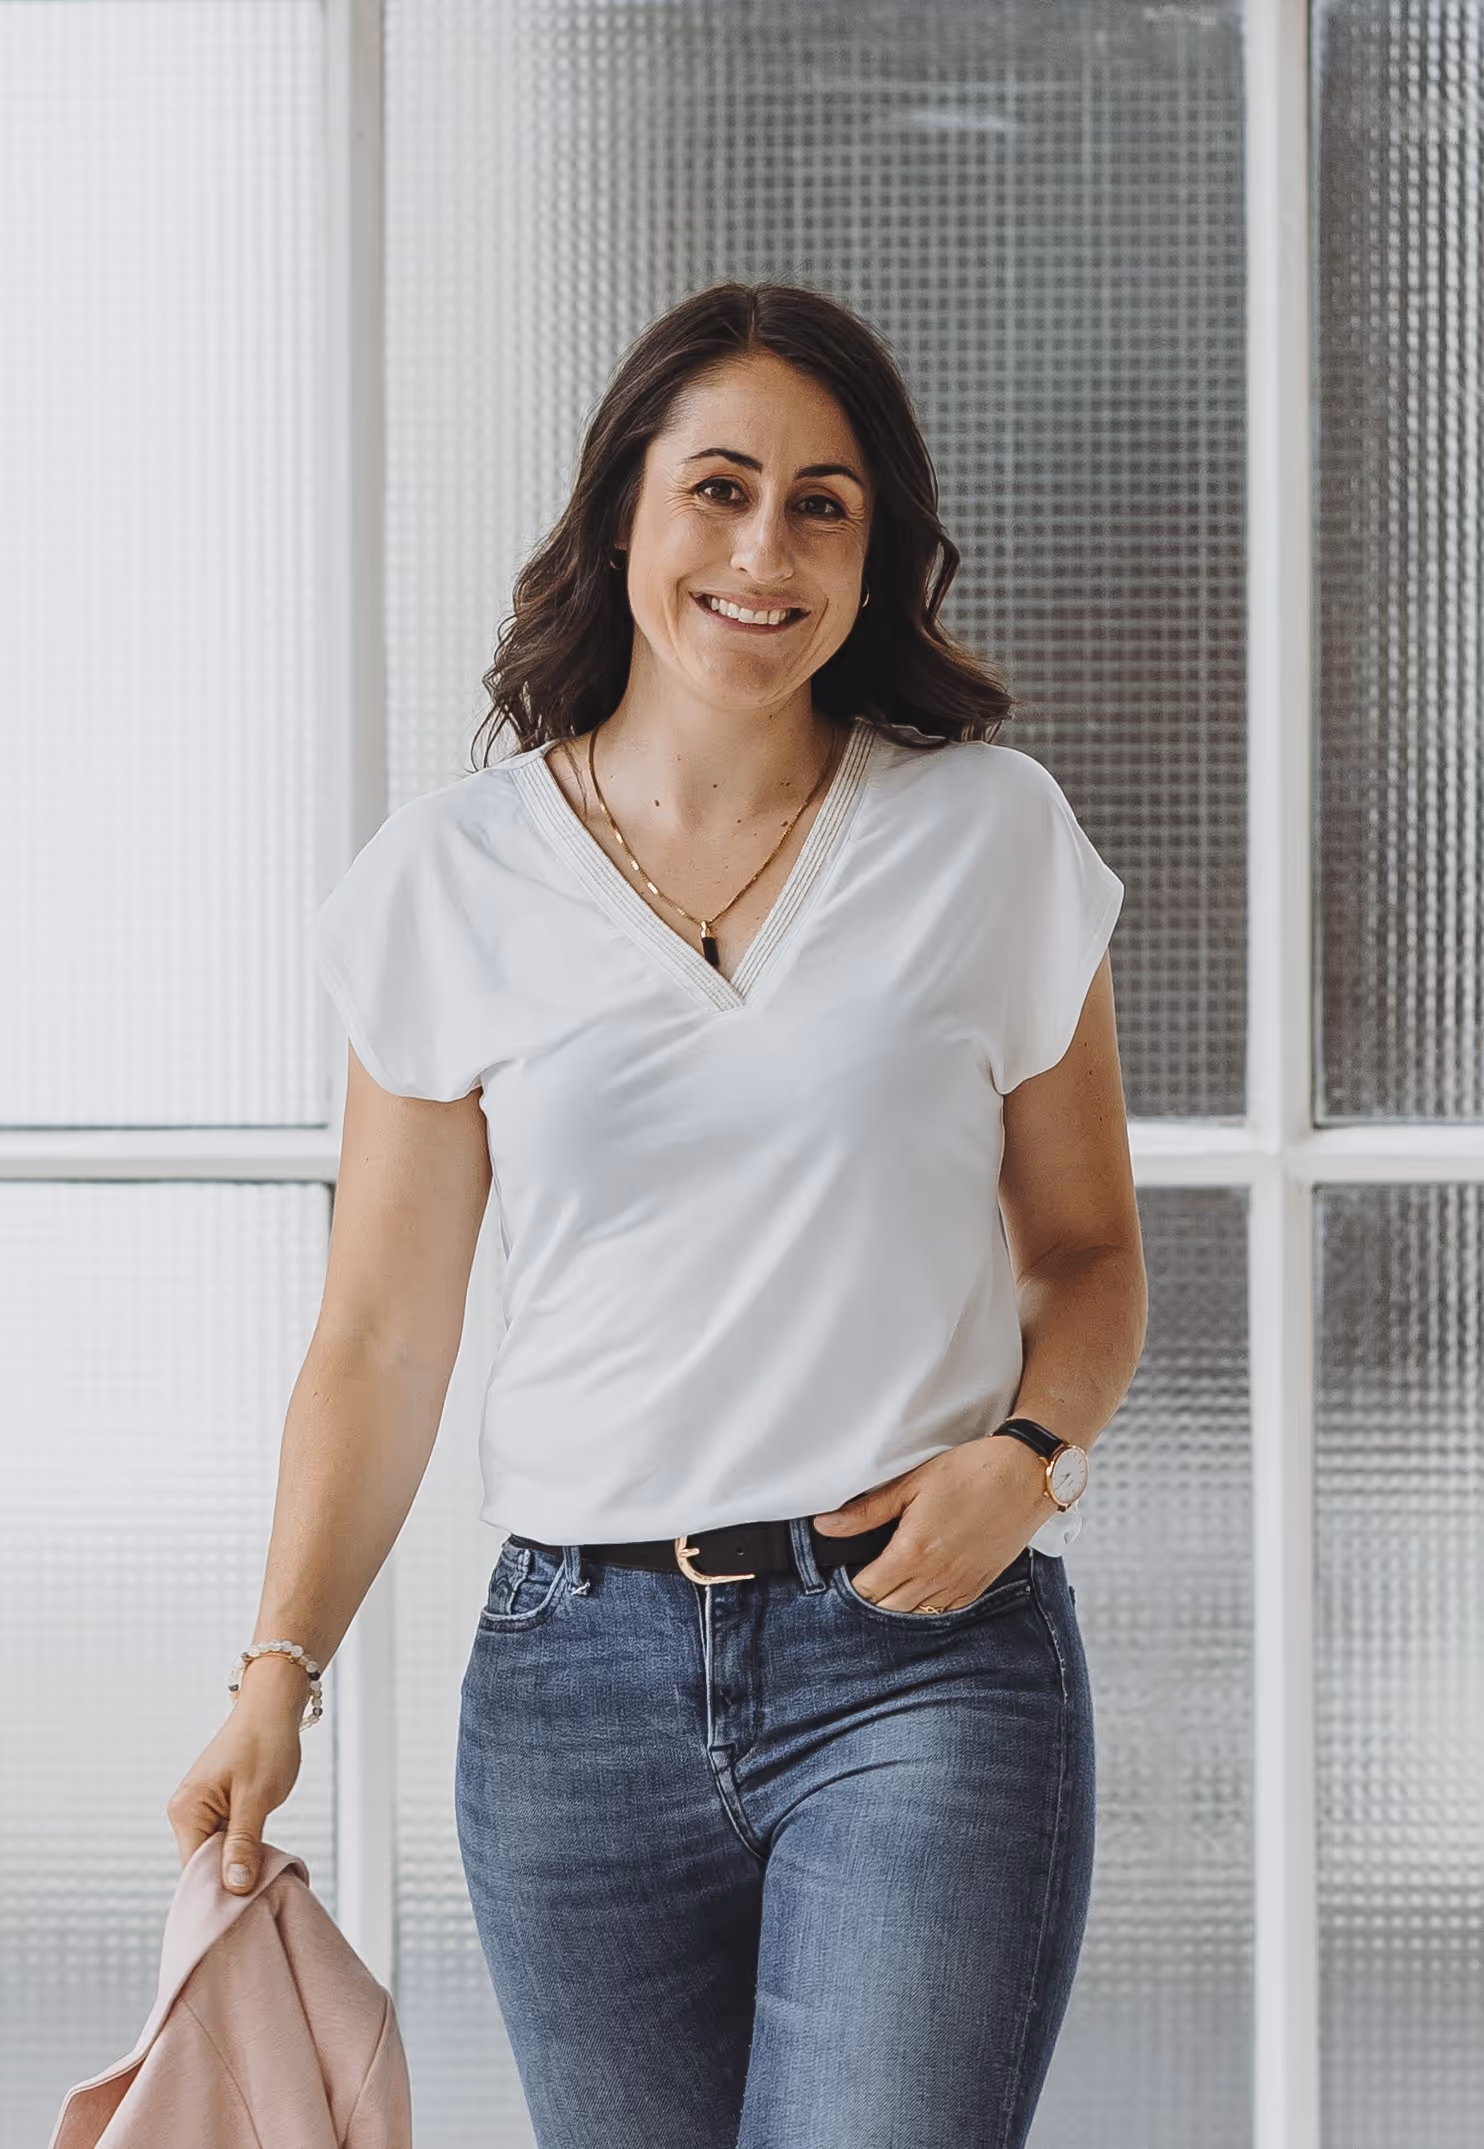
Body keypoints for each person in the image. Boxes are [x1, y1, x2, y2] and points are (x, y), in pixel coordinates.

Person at [168, 280, 1147, 2149]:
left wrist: (1032, 1452)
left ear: (878, 555)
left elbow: (1089, 1256)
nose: (762, 551)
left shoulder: (990, 834)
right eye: (716, 489)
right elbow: (380, 1333)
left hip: (918, 1663)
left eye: (822, 504)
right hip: (569, 1688)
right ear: (623, 512)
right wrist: (276, 1670)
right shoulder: (449, 879)